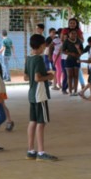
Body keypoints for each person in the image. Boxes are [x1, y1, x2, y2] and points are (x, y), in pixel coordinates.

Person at [24, 34, 58, 162]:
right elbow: (38, 78)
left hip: (32, 94)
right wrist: (49, 77)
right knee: (41, 123)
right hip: (40, 94)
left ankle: (31, 150)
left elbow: (26, 77)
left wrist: (44, 74)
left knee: (32, 121)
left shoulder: (29, 58)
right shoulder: (38, 59)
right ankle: (41, 152)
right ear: (42, 45)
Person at [62, 29, 82, 96]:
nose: (73, 34)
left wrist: (78, 54)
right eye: (72, 33)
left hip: (77, 60)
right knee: (69, 76)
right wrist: (70, 53)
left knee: (76, 76)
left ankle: (75, 91)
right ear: (69, 34)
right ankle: (70, 91)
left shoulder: (79, 41)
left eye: (75, 33)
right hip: (68, 60)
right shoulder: (66, 41)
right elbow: (63, 51)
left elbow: (82, 51)